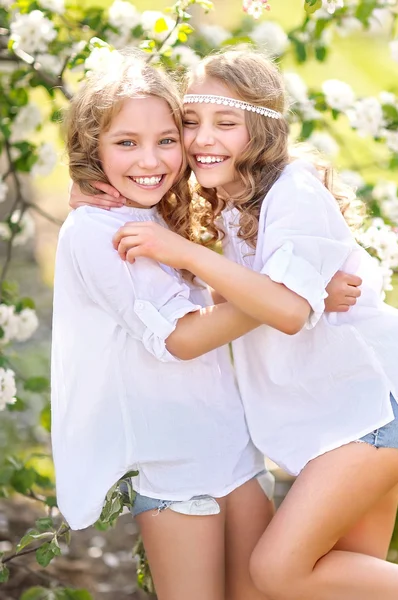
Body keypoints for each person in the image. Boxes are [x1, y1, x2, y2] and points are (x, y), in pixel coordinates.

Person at [104, 50, 398, 600]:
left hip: (369, 410)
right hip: (336, 416)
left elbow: (287, 312)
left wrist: (185, 254)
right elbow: (257, 297)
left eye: (225, 123)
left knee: (278, 572)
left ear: (260, 129)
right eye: (189, 123)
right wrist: (90, 189)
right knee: (347, 580)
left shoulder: (293, 188)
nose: (201, 139)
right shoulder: (232, 203)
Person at [54, 51, 280, 600]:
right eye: (125, 143)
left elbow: (221, 291)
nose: (149, 159)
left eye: (166, 139)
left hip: (233, 448)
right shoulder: (94, 231)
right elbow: (178, 338)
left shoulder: (157, 214)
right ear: (93, 148)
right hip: (175, 469)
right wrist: (283, 298)